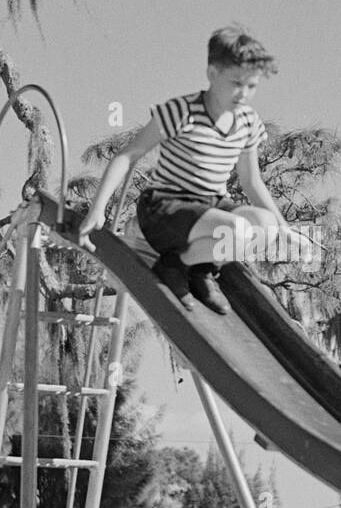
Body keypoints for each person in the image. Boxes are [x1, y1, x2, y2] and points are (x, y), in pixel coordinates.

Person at [77, 26, 307, 313]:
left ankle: (198, 269)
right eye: (236, 83)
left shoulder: (247, 122)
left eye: (251, 86)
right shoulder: (181, 112)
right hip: (165, 208)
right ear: (212, 74)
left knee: (265, 227)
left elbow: (251, 181)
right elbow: (127, 156)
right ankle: (175, 265)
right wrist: (98, 208)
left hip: (211, 205)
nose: (243, 94)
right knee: (236, 229)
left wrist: (283, 229)